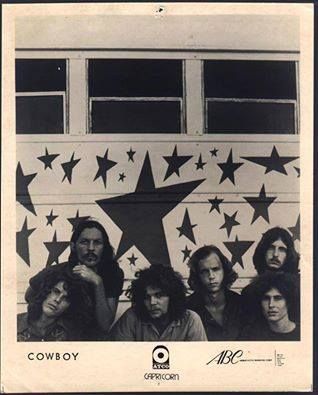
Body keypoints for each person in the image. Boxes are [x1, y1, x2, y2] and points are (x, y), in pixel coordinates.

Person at [26, 219, 124, 339]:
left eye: (97, 242)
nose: (91, 248)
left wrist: (98, 282)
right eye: (84, 242)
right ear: (73, 246)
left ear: (104, 247)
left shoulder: (112, 274)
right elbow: (29, 295)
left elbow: (105, 324)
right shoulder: (57, 271)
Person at [110, 265, 207, 341]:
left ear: (173, 297)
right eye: (147, 297)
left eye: (159, 295)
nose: (152, 302)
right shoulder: (131, 317)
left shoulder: (191, 320)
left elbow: (198, 360)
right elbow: (120, 357)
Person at [242, 226, 300, 324]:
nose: (275, 254)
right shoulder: (249, 292)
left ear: (288, 255)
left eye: (282, 249)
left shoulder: (300, 288)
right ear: (263, 251)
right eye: (271, 248)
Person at [186, 245, 242, 341]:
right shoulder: (187, 307)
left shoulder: (241, 303)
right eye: (204, 271)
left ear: (225, 270)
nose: (211, 276)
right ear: (197, 275)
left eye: (215, 269)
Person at [18, 270, 93, 341]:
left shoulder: (72, 334)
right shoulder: (15, 322)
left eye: (66, 299)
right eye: (56, 292)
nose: (57, 300)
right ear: (45, 291)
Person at [240, 272, 300, 341]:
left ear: (289, 302)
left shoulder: (303, 334)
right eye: (266, 298)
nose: (271, 305)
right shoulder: (251, 335)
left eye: (278, 298)